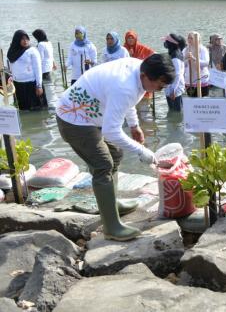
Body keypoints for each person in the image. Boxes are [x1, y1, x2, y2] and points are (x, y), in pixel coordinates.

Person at [56, 54, 174, 241]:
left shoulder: (139, 71)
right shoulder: (124, 85)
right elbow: (111, 131)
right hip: (73, 120)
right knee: (103, 164)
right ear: (145, 75)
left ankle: (111, 203)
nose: (160, 90)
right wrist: (141, 150)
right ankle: (111, 227)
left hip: (90, 117)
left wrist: (134, 126)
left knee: (115, 153)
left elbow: (129, 102)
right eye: (160, 85)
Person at [7, 30, 47, 110]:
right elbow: (11, 67)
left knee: (36, 109)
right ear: (17, 40)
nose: (25, 41)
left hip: (32, 85)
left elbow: (38, 69)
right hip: (18, 85)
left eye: (26, 39)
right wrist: (10, 77)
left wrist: (39, 86)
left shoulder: (32, 51)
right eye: (22, 39)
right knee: (23, 109)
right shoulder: (11, 52)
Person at [123, 30, 155, 104]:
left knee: (144, 106)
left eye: (132, 38)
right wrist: (129, 56)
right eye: (128, 38)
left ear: (135, 39)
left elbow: (154, 55)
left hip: (141, 76)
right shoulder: (123, 49)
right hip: (128, 78)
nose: (130, 40)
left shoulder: (142, 48)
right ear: (126, 39)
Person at [163, 34, 186, 112]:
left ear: (171, 44)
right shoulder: (176, 52)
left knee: (176, 111)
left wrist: (173, 90)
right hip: (172, 86)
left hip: (175, 88)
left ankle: (177, 123)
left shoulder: (175, 56)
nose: (165, 43)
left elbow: (178, 74)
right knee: (174, 110)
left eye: (166, 42)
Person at [183, 31, 210, 97]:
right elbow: (182, 65)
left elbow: (206, 63)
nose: (189, 40)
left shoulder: (203, 49)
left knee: (203, 101)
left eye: (191, 38)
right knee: (192, 102)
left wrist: (194, 59)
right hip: (189, 80)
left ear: (197, 39)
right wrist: (186, 59)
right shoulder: (185, 49)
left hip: (201, 79)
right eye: (188, 38)